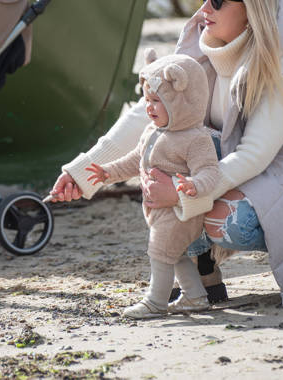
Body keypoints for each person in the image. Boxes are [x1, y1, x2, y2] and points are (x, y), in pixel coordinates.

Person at [49, 0, 283, 307]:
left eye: (217, 0)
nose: (203, 9)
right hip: (258, 178)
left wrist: (183, 194)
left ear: (252, 7)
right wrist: (84, 172)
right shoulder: (203, 46)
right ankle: (203, 273)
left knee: (219, 218)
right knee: (163, 153)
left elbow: (254, 154)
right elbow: (149, 113)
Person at [86, 51, 221, 318]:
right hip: (159, 210)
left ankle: (155, 302)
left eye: (157, 101)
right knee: (176, 254)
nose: (149, 107)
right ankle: (195, 296)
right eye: (147, 100)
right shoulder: (153, 131)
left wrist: (193, 185)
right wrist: (107, 173)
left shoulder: (195, 138)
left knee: (159, 252)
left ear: (183, 100)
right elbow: (135, 160)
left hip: (180, 211)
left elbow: (209, 171)